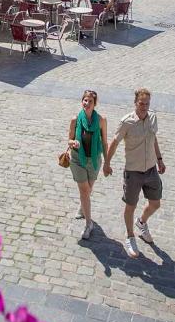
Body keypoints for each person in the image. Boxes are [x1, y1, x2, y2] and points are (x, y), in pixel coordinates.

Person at [103, 87, 165, 259]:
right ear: (135, 103)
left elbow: (154, 139)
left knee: (155, 203)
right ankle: (130, 236)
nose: (144, 107)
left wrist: (160, 159)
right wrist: (107, 164)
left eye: (147, 104)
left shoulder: (153, 118)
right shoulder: (126, 122)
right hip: (133, 171)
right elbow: (114, 143)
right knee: (130, 206)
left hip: (151, 168)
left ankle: (142, 222)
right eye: (141, 103)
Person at [66, 90, 108, 241]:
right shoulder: (75, 119)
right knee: (84, 191)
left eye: (90, 101)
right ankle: (88, 224)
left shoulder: (102, 120)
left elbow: (104, 142)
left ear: (94, 104)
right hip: (78, 159)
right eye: (85, 100)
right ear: (81, 101)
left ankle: (82, 207)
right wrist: (73, 142)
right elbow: (69, 140)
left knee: (88, 190)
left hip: (95, 160)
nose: (87, 103)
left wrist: (107, 162)